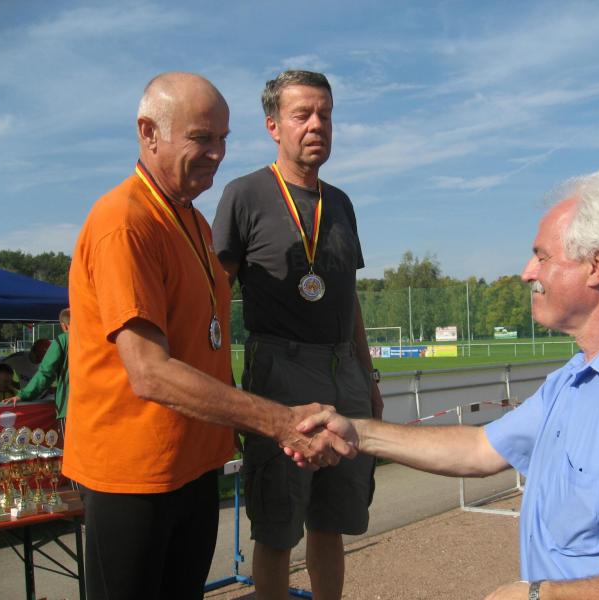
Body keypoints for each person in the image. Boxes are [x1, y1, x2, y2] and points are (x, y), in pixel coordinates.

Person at [290, 170, 599, 600]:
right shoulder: (574, 379)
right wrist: (358, 431)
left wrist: (540, 596)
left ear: (598, 266)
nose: (529, 272)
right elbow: (479, 449)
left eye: (542, 256)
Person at [64, 71, 349, 600]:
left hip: (193, 466)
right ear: (149, 133)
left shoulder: (191, 221)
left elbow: (205, 340)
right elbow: (149, 373)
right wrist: (278, 422)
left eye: (222, 138)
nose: (217, 153)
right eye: (201, 138)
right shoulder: (124, 222)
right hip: (135, 475)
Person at [212, 69, 381, 600]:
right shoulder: (244, 195)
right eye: (302, 114)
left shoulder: (341, 203)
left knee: (334, 518)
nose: (316, 125)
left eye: (324, 114)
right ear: (273, 126)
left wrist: (368, 374)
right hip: (279, 372)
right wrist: (224, 390)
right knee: (278, 525)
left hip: (343, 370)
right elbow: (214, 298)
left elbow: (348, 297)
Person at [3, 308, 72, 426]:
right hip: (100, 406)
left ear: (64, 326)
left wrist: (23, 395)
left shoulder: (63, 341)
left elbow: (46, 373)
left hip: (70, 408)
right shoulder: (97, 338)